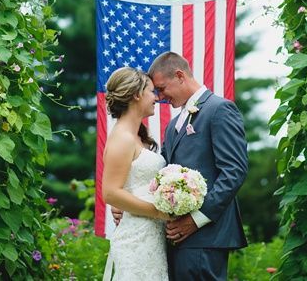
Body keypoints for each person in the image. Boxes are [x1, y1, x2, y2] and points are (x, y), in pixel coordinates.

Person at [140, 51, 248, 280]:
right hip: (178, 236)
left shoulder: (219, 109)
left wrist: (196, 219)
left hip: (207, 235)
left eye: (161, 88)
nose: (159, 97)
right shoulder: (172, 126)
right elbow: (160, 175)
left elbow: (234, 170)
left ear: (179, 75)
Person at [100, 66, 171, 280]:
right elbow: (111, 193)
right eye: (151, 91)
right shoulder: (122, 138)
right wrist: (159, 212)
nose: (156, 98)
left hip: (151, 235)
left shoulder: (136, 136)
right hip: (136, 238)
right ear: (137, 94)